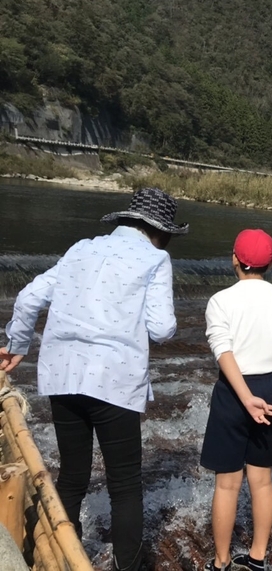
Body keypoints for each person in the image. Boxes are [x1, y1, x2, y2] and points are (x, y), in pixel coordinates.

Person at [1, 187, 187, 571]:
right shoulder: (155, 259)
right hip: (113, 379)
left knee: (72, 475)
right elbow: (162, 328)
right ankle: (127, 567)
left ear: (123, 219)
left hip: (62, 373)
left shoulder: (80, 248)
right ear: (162, 232)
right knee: (124, 486)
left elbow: (28, 297)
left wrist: (17, 343)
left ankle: (57, 558)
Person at [201, 229, 272, 571]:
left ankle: (221, 562)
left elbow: (223, 351)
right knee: (262, 481)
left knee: (227, 484)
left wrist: (245, 398)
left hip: (234, 392)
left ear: (235, 259)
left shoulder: (221, 300)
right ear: (271, 264)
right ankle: (258, 557)